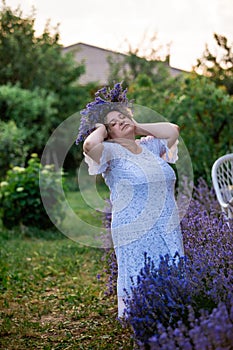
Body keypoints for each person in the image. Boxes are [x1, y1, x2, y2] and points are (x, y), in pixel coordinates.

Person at [78, 84, 184, 318]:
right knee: (140, 273)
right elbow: (88, 145)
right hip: (134, 228)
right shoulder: (109, 152)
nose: (120, 123)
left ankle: (173, 316)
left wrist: (136, 127)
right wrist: (99, 127)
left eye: (123, 117)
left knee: (172, 270)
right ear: (108, 132)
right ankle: (140, 321)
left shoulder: (150, 146)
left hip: (167, 222)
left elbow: (173, 129)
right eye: (113, 123)